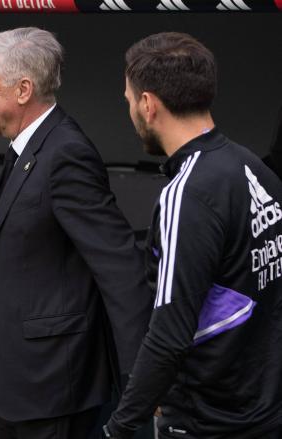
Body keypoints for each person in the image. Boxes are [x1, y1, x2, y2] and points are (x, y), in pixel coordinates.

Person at [0, 27, 152, 439]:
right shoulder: (28, 148)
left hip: (50, 387)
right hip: (18, 387)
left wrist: (143, 377)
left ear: (23, 90)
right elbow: (22, 235)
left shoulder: (65, 153)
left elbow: (119, 264)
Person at [103, 32, 282, 439]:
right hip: (262, 414)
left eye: (129, 100)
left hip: (208, 423)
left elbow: (168, 335)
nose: (130, 110)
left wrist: (119, 427)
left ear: (148, 105)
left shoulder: (188, 194)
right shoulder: (255, 169)